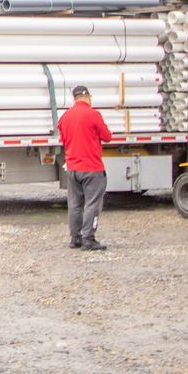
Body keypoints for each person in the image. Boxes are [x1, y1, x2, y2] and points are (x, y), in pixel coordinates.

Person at [56, 83, 113, 251]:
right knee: (92, 204)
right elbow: (107, 136)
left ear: (74, 98)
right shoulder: (93, 114)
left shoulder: (65, 117)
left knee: (74, 205)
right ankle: (89, 238)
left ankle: (75, 238)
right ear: (87, 96)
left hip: (73, 168)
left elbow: (63, 140)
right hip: (92, 168)